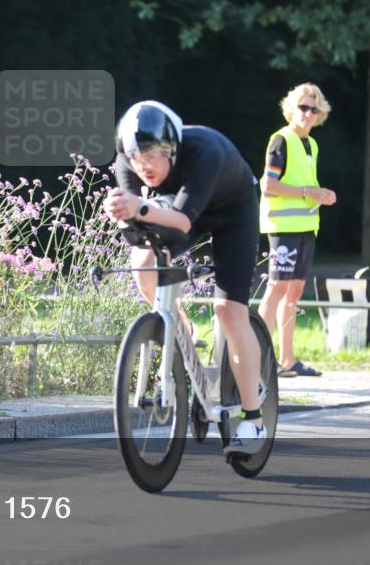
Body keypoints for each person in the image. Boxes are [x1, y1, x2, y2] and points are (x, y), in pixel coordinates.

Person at [104, 101, 265, 455]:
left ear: (172, 150)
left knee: (229, 311)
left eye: (151, 157)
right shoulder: (127, 159)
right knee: (142, 260)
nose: (143, 166)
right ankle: (180, 327)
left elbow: (182, 220)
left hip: (231, 211)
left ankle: (253, 420)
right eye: (136, 158)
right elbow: (133, 219)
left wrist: (139, 208)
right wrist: (120, 212)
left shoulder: (203, 152)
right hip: (179, 206)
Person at [257, 83, 336, 377]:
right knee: (277, 288)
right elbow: (268, 185)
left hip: (306, 227)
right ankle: (258, 358)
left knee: (294, 292)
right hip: (283, 227)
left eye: (313, 109)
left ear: (320, 113)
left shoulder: (311, 144)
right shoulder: (281, 140)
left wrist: (321, 194)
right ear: (291, 108)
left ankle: (287, 360)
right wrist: (307, 192)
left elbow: (305, 184)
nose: (307, 114)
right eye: (302, 107)